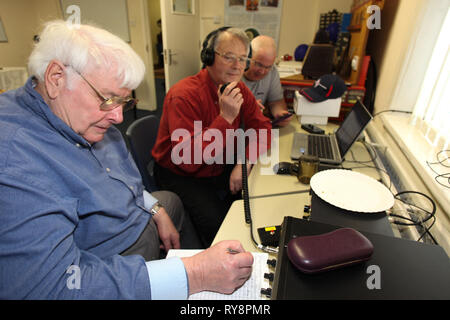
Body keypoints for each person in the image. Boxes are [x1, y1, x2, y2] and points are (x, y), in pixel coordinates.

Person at [0, 20, 253, 300]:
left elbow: (121, 177)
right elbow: (55, 288)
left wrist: (155, 209)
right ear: (56, 78)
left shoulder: (78, 117)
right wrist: (194, 274)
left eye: (123, 102)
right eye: (108, 99)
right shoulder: (14, 158)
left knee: (170, 201)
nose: (118, 118)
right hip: (112, 261)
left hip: (137, 220)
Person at [152, 27, 272, 247]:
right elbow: (188, 160)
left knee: (257, 198)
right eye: (228, 57)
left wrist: (244, 163)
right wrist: (225, 118)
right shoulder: (183, 95)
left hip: (216, 162)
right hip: (181, 171)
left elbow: (263, 128)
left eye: (243, 59)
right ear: (208, 57)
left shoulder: (239, 89)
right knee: (221, 228)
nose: (237, 66)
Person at [242, 35, 292, 127]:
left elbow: (276, 101)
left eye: (268, 67)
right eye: (259, 64)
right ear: (247, 57)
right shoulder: (234, 72)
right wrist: (247, 108)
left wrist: (278, 114)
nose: (262, 71)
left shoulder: (272, 71)